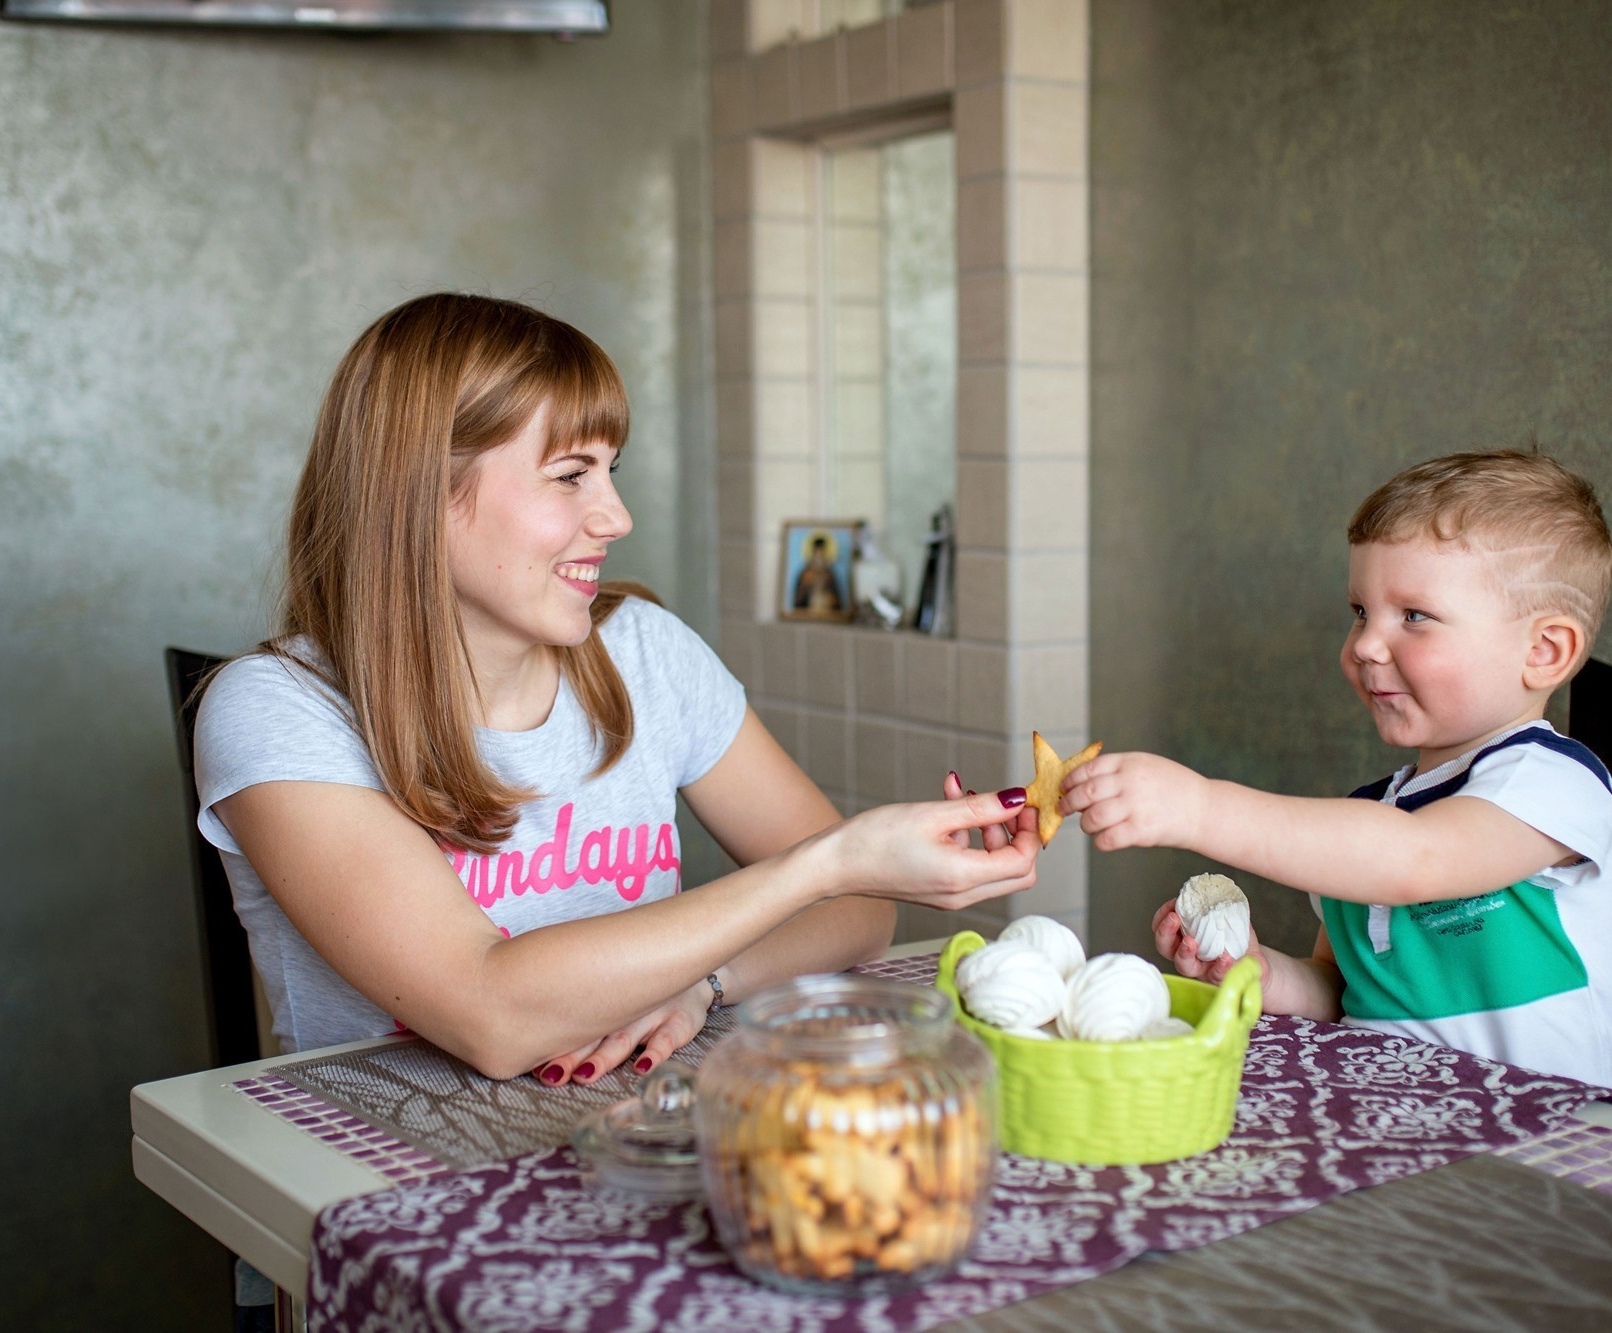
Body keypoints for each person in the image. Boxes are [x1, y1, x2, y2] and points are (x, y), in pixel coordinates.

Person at [195, 293, 1040, 1091]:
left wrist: (706, 977)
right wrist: (831, 859)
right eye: (571, 475)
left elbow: (861, 914)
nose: (616, 516)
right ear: (421, 495)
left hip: (633, 1145)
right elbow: (492, 1013)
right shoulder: (278, 709)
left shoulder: (642, 651)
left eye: (611, 470)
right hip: (374, 1195)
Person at [1061, 450, 1612, 1089]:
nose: (1364, 644)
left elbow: (1418, 862)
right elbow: (1343, 993)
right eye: (1361, 612)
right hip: (1398, 1134)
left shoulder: (1555, 782)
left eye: (1413, 616)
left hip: (1554, 1147)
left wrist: (1198, 807)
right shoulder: (1372, 820)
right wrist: (1260, 972)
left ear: (1543, 652)